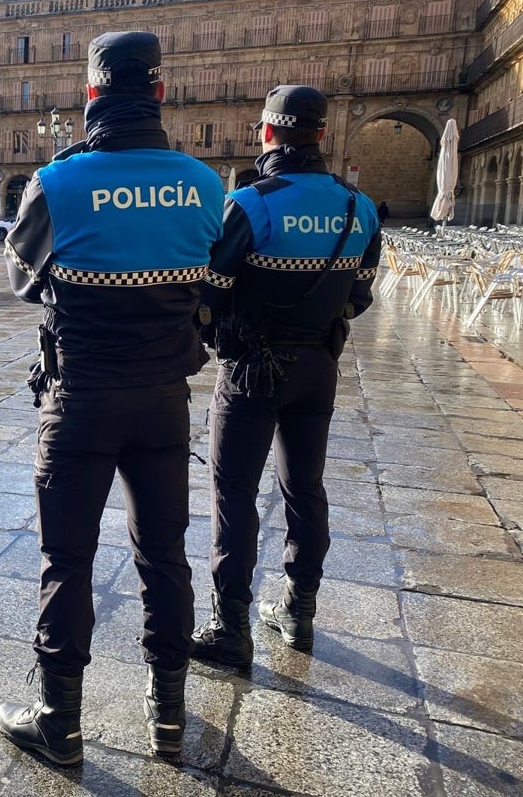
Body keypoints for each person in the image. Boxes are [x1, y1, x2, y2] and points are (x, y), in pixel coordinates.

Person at [0, 31, 224, 763]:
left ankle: (59, 724)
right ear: (160, 92)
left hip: (81, 401)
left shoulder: (56, 184)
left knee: (66, 558)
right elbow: (216, 285)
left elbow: (22, 279)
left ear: (91, 95)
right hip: (165, 400)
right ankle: (167, 721)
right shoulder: (205, 185)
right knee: (164, 556)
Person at [191, 85, 382, 668]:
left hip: (251, 368)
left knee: (235, 492)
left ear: (267, 133)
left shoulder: (250, 204)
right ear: (322, 134)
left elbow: (209, 293)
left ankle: (230, 625)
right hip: (318, 367)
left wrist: (217, 338)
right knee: (305, 487)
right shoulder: (361, 206)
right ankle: (299, 610)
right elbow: (360, 295)